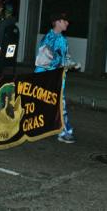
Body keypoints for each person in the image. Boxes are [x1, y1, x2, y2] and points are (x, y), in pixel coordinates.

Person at [34, 12, 76, 144]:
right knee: (53, 104)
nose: (67, 23)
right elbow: (42, 61)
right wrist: (62, 64)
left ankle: (62, 130)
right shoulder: (48, 39)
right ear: (57, 22)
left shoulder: (63, 39)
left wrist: (70, 63)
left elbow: (65, 56)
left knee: (56, 104)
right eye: (65, 21)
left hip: (58, 78)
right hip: (47, 77)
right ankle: (64, 131)